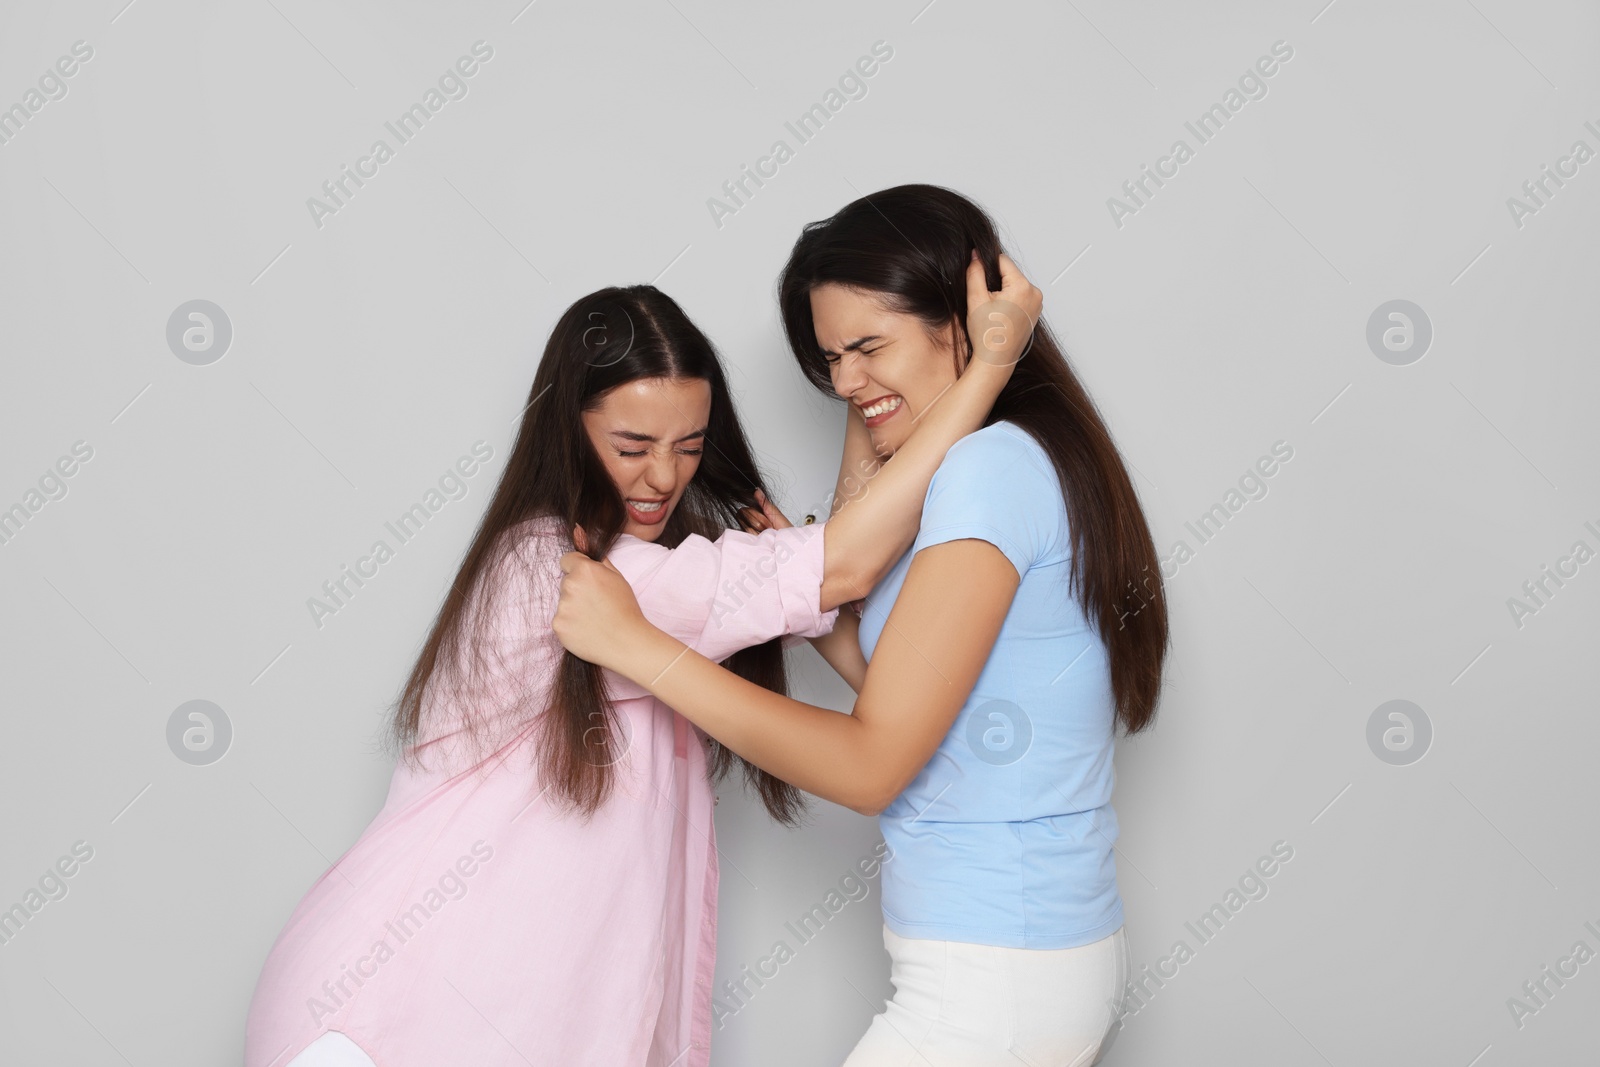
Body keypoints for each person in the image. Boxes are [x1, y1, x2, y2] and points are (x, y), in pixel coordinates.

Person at [242, 276, 1020, 1067]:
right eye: (631, 447)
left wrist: (861, 392)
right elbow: (847, 562)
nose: (661, 478)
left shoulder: (643, 581)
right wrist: (987, 366)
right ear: (568, 431)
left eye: (688, 447)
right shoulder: (564, 578)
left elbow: (841, 552)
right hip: (382, 1025)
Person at [552, 185, 1170, 1066]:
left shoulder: (987, 474)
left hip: (995, 976)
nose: (844, 381)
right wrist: (830, 623)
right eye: (831, 357)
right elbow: (955, 710)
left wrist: (640, 650)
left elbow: (876, 764)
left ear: (963, 322)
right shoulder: (1024, 454)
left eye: (869, 347)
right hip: (1018, 958)